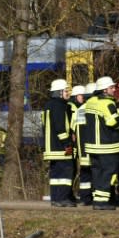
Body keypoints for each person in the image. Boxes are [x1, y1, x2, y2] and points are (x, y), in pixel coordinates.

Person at [84, 76, 119, 210]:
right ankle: (102, 202)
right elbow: (113, 122)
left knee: (97, 172)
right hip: (107, 146)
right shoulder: (107, 103)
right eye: (111, 88)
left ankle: (98, 200)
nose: (113, 90)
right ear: (105, 90)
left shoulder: (90, 102)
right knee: (108, 173)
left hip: (93, 146)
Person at [42, 79, 75, 207]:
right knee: (66, 171)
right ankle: (62, 198)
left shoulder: (48, 105)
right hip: (60, 147)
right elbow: (60, 127)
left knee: (55, 174)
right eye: (66, 91)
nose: (68, 93)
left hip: (51, 147)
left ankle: (56, 198)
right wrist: (67, 143)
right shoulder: (60, 106)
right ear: (59, 92)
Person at [70, 84, 92, 205]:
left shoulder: (79, 110)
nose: (82, 97)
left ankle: (85, 198)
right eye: (80, 95)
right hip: (91, 149)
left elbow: (73, 128)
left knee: (84, 173)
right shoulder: (76, 108)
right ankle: (88, 197)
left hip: (81, 149)